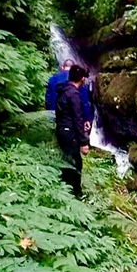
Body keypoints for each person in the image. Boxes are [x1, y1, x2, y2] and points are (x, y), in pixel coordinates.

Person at [55, 65, 90, 198]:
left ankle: (66, 191)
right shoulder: (74, 94)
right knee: (75, 164)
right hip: (70, 132)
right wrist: (84, 142)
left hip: (61, 130)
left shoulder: (62, 91)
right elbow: (77, 118)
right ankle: (75, 193)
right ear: (82, 79)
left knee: (66, 160)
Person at [46, 59, 94, 133]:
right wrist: (87, 119)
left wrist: (50, 111)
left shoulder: (52, 79)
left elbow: (48, 99)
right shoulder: (77, 79)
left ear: (62, 67)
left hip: (54, 114)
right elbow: (84, 102)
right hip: (71, 119)